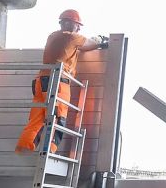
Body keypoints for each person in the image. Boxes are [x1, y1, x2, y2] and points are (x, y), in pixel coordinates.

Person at [15, 9, 108, 153]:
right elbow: (90, 44)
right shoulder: (71, 37)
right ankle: (49, 153)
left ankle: (22, 152)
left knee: (37, 119)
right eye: (77, 25)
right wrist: (101, 40)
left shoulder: (52, 36)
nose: (78, 28)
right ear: (67, 23)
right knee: (58, 118)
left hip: (41, 81)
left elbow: (73, 49)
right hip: (58, 82)